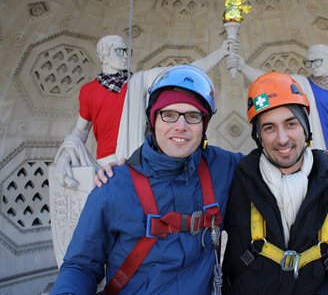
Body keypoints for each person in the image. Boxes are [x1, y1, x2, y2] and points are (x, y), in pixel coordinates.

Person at [51, 65, 244, 294]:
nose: (180, 126)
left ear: (204, 125)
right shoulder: (114, 185)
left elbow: (275, 163)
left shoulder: (225, 168)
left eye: (193, 116)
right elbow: (80, 266)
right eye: (169, 115)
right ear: (153, 121)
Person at [221, 72, 328, 294]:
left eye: (291, 124)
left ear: (305, 128)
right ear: (258, 136)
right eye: (269, 127)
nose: (282, 139)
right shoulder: (234, 180)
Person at [53, 35, 232, 189]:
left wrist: (221, 52)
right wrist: (66, 154)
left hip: (138, 163)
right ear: (104, 55)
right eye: (119, 51)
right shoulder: (88, 90)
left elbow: (184, 71)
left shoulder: (139, 80)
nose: (125, 56)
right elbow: (80, 132)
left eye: (127, 51)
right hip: (103, 167)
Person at [233, 44, 328, 184]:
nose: (313, 65)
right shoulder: (301, 85)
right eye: (310, 62)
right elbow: (270, 81)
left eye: (317, 61)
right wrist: (243, 67)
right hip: (312, 161)